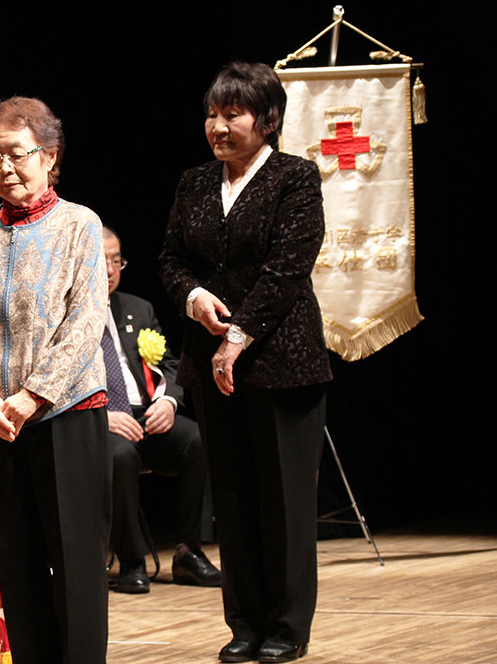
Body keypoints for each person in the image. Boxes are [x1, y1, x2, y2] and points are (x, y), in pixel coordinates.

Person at [158, 62, 332, 664]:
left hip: (283, 362)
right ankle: (245, 625)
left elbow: (288, 268)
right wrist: (191, 297)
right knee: (232, 499)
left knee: (283, 501)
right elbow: (172, 258)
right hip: (212, 366)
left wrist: (239, 337)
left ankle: (286, 627)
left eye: (233, 114)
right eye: (212, 113)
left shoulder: (296, 178)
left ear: (267, 119)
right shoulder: (194, 182)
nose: (218, 126)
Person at [0, 96, 109, 663]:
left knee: (75, 566)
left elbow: (87, 320)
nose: (5, 169)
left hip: (67, 415)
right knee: (17, 565)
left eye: (17, 155)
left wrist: (31, 396)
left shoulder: (79, 224)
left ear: (49, 157)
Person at [101, 226, 220, 594]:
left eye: (115, 259)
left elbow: (169, 365)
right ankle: (131, 560)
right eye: (98, 260)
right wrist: (100, 417)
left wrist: (168, 402)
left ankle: (188, 551)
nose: (108, 269)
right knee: (119, 456)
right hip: (98, 422)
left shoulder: (138, 307)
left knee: (198, 440)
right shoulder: (62, 315)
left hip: (146, 415)